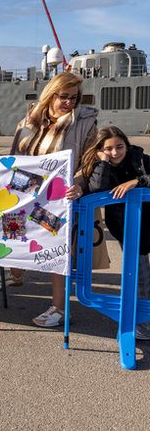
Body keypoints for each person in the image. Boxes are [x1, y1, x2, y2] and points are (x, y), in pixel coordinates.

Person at [0, 72, 97, 328]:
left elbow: (89, 161)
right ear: (51, 95)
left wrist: (79, 184)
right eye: (64, 96)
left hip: (56, 197)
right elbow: (15, 155)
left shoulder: (84, 123)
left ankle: (60, 308)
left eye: (74, 98)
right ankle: (16, 274)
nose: (69, 103)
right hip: (24, 190)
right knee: (13, 235)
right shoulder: (29, 121)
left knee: (55, 251)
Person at [82, 126, 150, 340]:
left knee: (141, 276)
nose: (115, 152)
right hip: (126, 226)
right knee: (139, 275)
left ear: (126, 145)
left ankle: (144, 323)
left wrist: (136, 182)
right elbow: (97, 189)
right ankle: (142, 323)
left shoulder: (140, 159)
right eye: (108, 148)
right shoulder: (100, 165)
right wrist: (102, 161)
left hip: (145, 222)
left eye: (119, 147)